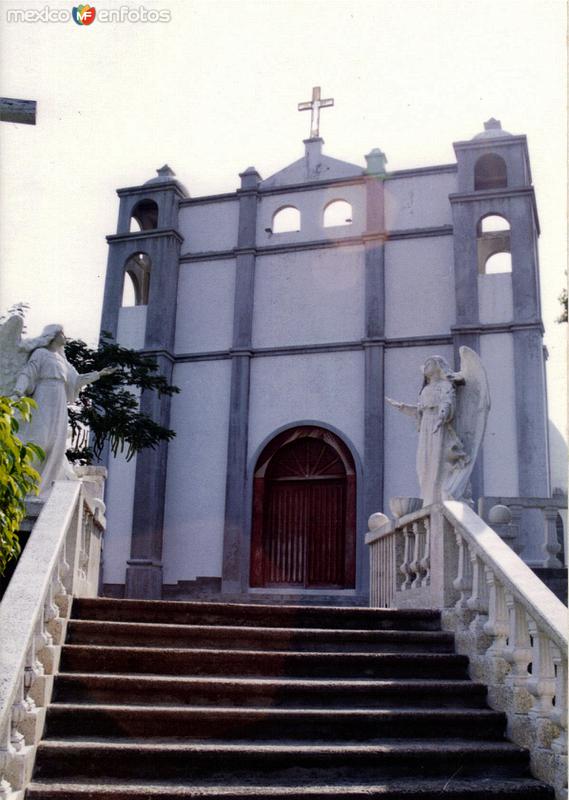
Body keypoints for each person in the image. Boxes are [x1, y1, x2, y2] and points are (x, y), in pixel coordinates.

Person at [12, 324, 114, 498]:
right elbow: (28, 374)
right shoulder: (40, 354)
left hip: (59, 401)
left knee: (56, 442)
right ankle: (26, 483)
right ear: (53, 335)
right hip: (43, 397)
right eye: (62, 333)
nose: (65, 337)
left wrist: (99, 374)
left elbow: (76, 381)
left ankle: (44, 486)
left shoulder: (62, 360)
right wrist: (17, 392)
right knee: (40, 440)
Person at [386, 356, 469, 505]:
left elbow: (448, 402)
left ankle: (437, 498)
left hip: (438, 425)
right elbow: (420, 412)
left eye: (429, 363)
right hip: (426, 425)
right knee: (423, 463)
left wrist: (442, 415)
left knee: (437, 460)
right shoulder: (425, 389)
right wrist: (403, 407)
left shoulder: (445, 385)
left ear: (438, 366)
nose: (425, 366)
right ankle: (427, 497)